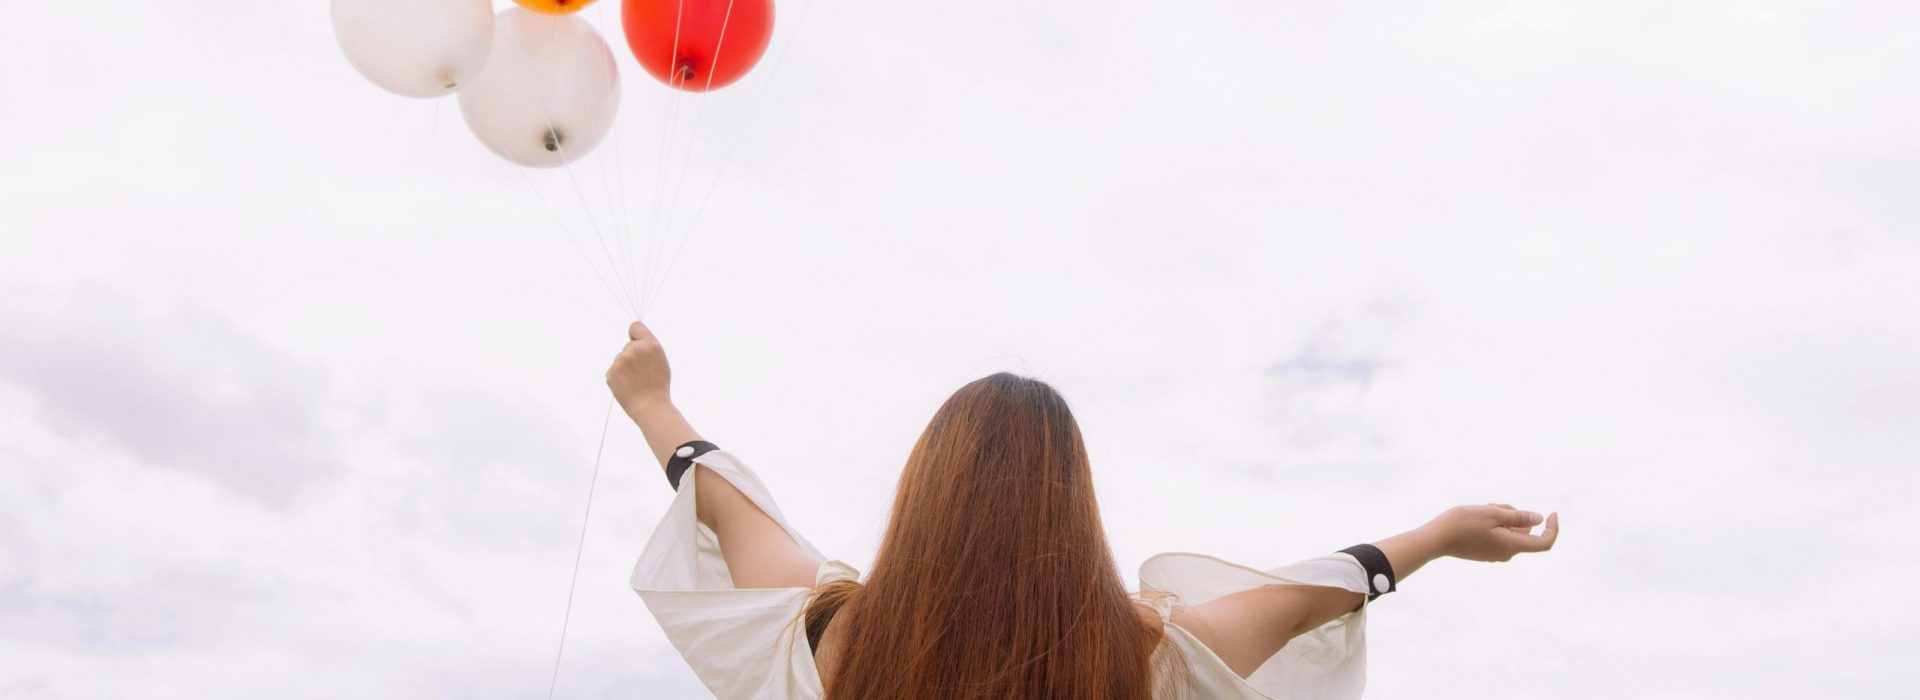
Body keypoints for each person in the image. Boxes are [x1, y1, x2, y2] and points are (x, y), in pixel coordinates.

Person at [609, 322, 1559, 699]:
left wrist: (654, 404)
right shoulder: (1142, 655)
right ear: (1075, 510)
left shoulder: (834, 636)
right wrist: (1435, 538)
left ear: (923, 494)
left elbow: (732, 510)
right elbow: (1321, 590)